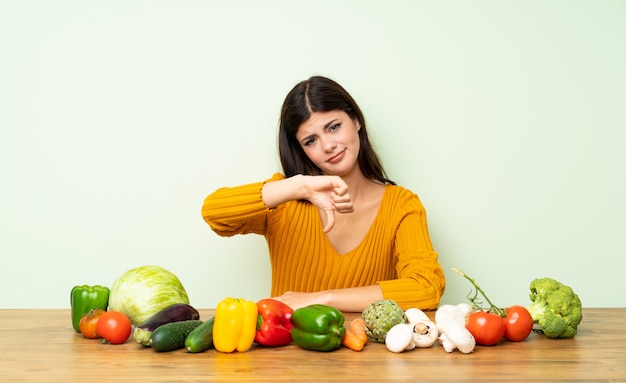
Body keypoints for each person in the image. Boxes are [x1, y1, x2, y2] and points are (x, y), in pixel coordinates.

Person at [201, 76, 445, 312]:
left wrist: (323, 298)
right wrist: (299, 187)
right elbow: (214, 214)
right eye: (310, 141)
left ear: (356, 121)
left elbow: (426, 287)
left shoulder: (402, 206)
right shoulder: (285, 201)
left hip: (367, 352)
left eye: (334, 127)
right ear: (301, 150)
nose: (328, 146)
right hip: (286, 351)